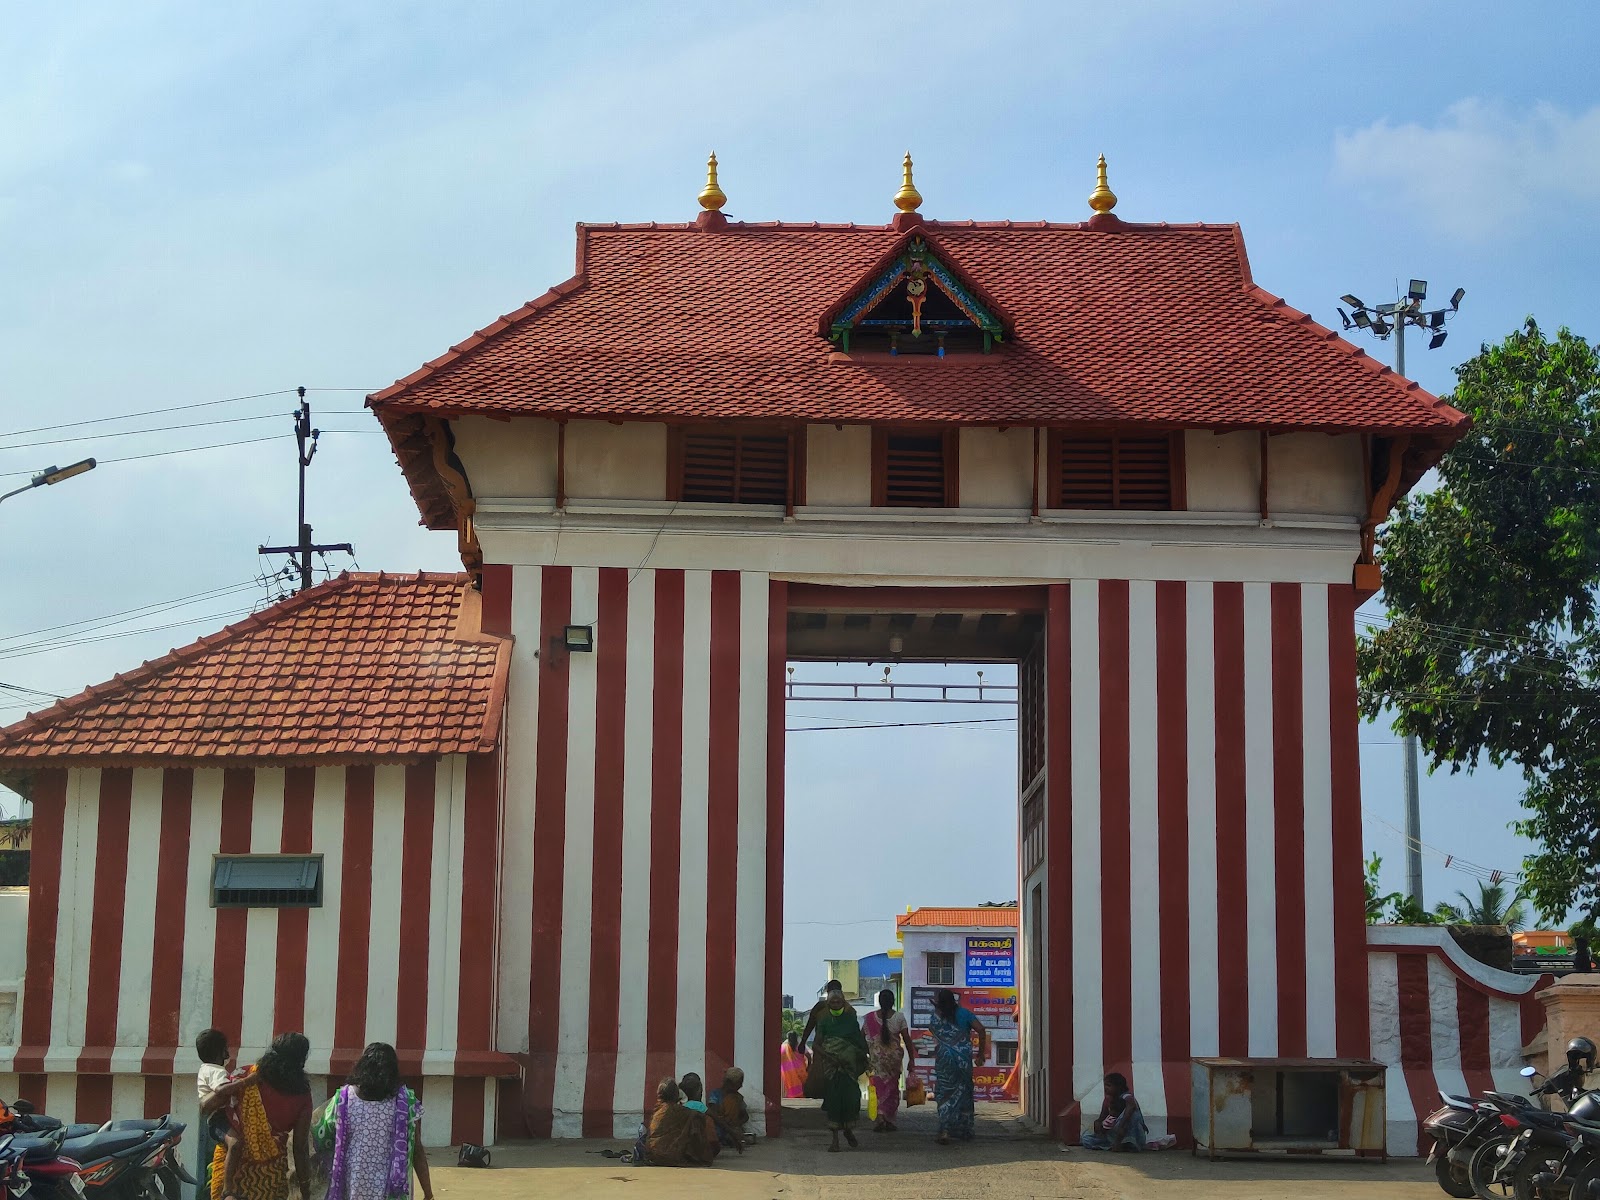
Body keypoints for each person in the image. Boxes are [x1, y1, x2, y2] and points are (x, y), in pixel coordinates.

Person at [314, 1042, 434, 1200]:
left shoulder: (344, 1098)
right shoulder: (405, 1102)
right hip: (390, 1185)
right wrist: (428, 1193)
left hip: (353, 1182)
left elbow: (323, 1138)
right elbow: (417, 1151)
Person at [203, 1032, 315, 1200]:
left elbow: (207, 1106)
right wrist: (305, 1188)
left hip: (232, 1172)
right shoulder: (302, 1095)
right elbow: (300, 1148)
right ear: (301, 1060)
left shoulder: (248, 1075)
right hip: (270, 1177)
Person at [810, 983, 868, 1152]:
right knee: (834, 1102)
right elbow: (817, 1045)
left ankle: (848, 1130)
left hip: (849, 1069)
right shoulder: (824, 1020)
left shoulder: (851, 1019)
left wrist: (862, 1056)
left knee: (852, 1099)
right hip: (832, 1069)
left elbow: (859, 1041)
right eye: (832, 1002)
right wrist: (830, 1057)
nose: (836, 1004)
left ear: (843, 1003)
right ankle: (834, 1140)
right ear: (828, 1004)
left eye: (838, 1002)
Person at [927, 988, 986, 1145]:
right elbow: (981, 1029)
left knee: (945, 1093)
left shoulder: (935, 1018)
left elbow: (933, 1030)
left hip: (944, 1059)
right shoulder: (964, 1013)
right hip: (963, 1060)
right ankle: (965, 1129)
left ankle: (945, 1129)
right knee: (964, 1091)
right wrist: (980, 1055)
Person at [195, 1029, 241, 1199]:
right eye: (225, 1048)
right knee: (235, 1143)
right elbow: (222, 1091)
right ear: (220, 1051)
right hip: (220, 1118)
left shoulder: (208, 1069)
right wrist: (247, 1082)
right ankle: (228, 1188)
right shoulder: (215, 1071)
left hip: (224, 1116)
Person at [861, 989, 914, 1133]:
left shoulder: (869, 1017)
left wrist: (865, 1055)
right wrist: (912, 1060)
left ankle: (880, 1118)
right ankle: (889, 1119)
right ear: (893, 1001)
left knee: (878, 1088)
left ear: (879, 1002)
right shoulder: (899, 1017)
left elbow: (861, 1037)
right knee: (892, 1089)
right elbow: (907, 1040)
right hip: (893, 1061)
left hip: (877, 1059)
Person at [642, 1078, 719, 1167]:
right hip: (672, 1155)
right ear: (676, 1094)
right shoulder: (680, 1111)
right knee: (696, 1120)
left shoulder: (658, 1110)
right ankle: (699, 1156)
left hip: (652, 1155)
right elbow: (699, 1116)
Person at [1081, 1073, 1148, 1151]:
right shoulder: (1107, 1100)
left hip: (1128, 1132)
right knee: (1086, 1138)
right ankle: (1117, 1145)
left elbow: (1130, 1109)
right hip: (1114, 1133)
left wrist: (1121, 1126)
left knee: (1133, 1114)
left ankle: (1124, 1144)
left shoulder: (1127, 1097)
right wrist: (1098, 1124)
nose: (1105, 1088)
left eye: (1109, 1085)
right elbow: (1102, 1117)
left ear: (1118, 1087)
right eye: (1105, 1085)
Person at [707, 1068, 750, 1151]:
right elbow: (714, 1115)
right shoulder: (715, 1094)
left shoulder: (738, 1098)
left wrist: (736, 1123)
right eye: (739, 1083)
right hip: (719, 1128)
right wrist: (728, 1126)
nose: (741, 1086)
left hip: (732, 1127)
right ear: (730, 1083)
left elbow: (745, 1116)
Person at [779, 1032, 809, 1099]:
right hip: (800, 1068)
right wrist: (809, 1066)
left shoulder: (783, 1046)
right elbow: (808, 1054)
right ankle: (799, 1094)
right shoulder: (799, 1044)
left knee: (787, 1083)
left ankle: (789, 1095)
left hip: (786, 1070)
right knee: (801, 1080)